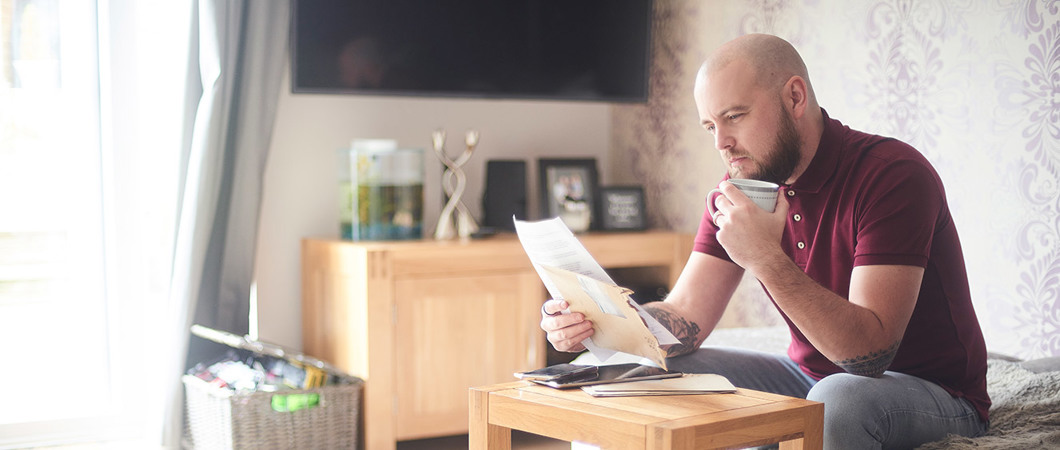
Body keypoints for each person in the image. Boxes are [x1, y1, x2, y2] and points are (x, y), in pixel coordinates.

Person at [540, 33, 989, 449]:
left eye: (734, 116)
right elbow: (685, 315)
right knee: (618, 375)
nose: (723, 142)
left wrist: (764, 258)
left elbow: (869, 357)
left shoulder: (892, 175)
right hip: (809, 379)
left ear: (795, 97)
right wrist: (604, 322)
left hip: (931, 394)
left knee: (839, 400)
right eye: (710, 126)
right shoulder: (739, 189)